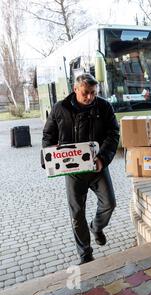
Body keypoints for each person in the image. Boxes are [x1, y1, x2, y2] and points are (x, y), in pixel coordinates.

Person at [42, 73, 120, 265]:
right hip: (73, 172)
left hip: (97, 166)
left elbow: (113, 133)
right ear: (75, 89)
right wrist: (48, 158)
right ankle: (85, 254)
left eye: (93, 93)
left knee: (109, 204)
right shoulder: (60, 108)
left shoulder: (104, 106)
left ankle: (96, 227)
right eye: (86, 93)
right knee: (77, 214)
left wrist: (103, 158)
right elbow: (48, 135)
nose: (90, 97)